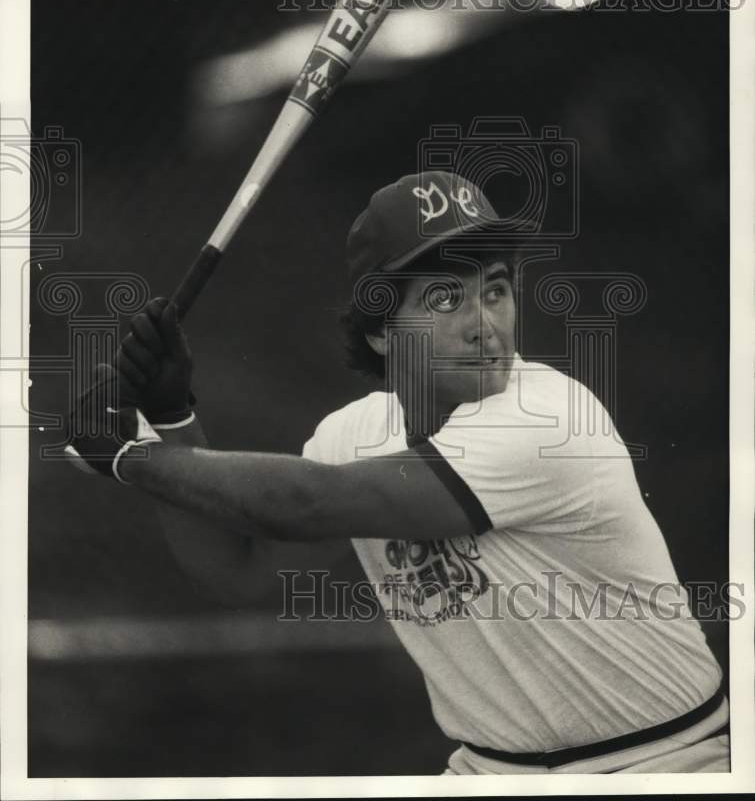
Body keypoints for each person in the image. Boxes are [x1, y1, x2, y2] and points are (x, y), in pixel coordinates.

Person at [67, 170, 730, 774]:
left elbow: (309, 503)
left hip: (665, 761)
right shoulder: (353, 435)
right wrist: (172, 415)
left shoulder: (548, 420)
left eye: (494, 290)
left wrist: (130, 456)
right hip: (489, 769)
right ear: (382, 330)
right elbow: (237, 571)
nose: (484, 325)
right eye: (446, 298)